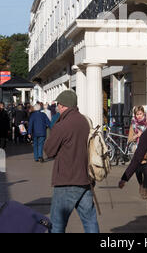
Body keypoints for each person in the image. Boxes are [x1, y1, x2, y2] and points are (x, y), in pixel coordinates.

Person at [44, 90, 99, 233]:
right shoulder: (85, 121)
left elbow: (49, 151)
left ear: (63, 106)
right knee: (90, 220)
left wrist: (52, 131)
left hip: (66, 180)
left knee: (57, 223)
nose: (57, 107)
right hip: (85, 178)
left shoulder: (62, 125)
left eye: (58, 105)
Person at [128, 106, 147, 199]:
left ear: (143, 113)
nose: (139, 116)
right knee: (138, 171)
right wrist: (137, 135)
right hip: (137, 151)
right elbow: (129, 139)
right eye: (137, 114)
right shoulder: (133, 125)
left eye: (141, 113)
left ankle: (145, 188)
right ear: (135, 115)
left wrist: (144, 135)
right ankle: (141, 185)